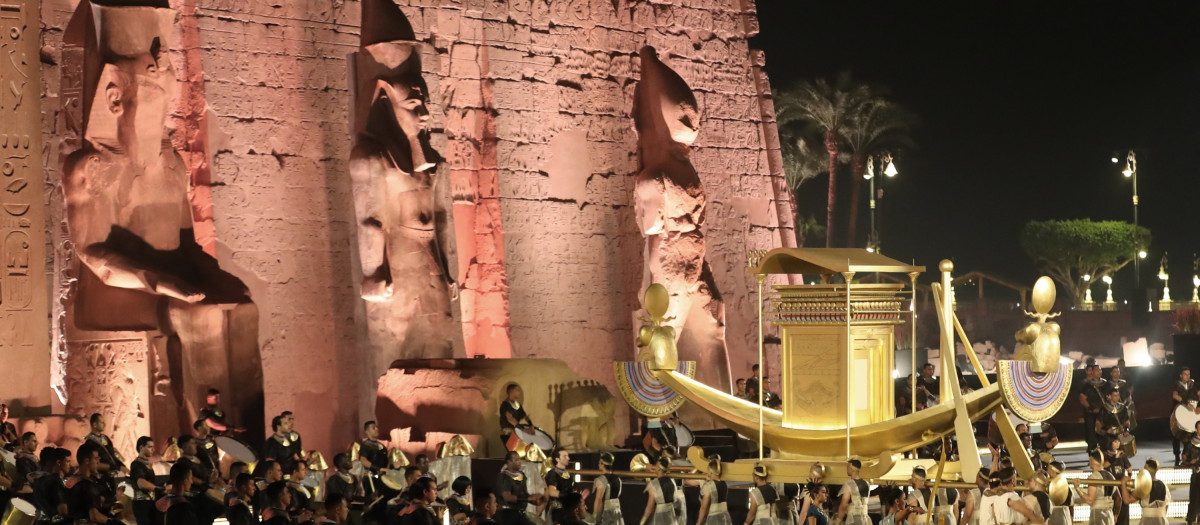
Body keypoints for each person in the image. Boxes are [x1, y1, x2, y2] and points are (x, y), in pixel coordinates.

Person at [67, 441, 115, 525]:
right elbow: (94, 516)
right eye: (96, 459)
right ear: (87, 461)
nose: (98, 462)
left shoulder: (71, 480)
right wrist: (114, 522)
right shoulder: (86, 484)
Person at [496, 451, 545, 525]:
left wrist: (534, 500)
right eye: (516, 460)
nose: (520, 462)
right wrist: (527, 499)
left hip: (519, 513)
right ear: (509, 462)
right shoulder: (503, 476)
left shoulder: (522, 475)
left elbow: (524, 494)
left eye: (520, 459)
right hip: (507, 515)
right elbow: (507, 497)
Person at [86, 413, 127, 491]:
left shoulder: (106, 439)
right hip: (102, 480)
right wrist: (114, 467)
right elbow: (94, 464)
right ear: (94, 424)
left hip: (115, 477)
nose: (104, 424)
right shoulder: (90, 443)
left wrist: (122, 466)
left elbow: (113, 454)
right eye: (101, 422)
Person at [1121, 458, 1167, 525]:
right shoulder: (1163, 484)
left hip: (1148, 521)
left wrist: (1123, 483)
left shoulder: (1144, 486)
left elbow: (1127, 500)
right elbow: (1167, 505)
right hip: (1162, 520)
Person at [1074, 451, 1116, 525]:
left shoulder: (1093, 477)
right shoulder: (1111, 476)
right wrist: (1116, 515)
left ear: (1092, 461)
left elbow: (1090, 500)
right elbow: (1118, 498)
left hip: (1098, 514)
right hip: (1109, 514)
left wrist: (1077, 488)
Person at [31, 447, 71, 523]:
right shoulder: (54, 482)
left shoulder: (41, 479)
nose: (70, 465)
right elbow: (63, 510)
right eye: (68, 461)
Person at [130, 436, 162, 525]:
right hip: (142, 504)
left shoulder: (146, 464)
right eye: (149, 447)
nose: (153, 449)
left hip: (150, 502)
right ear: (141, 448)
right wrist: (159, 488)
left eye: (153, 447)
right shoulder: (136, 464)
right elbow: (141, 483)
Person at [1097, 388, 1136, 459]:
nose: (1117, 397)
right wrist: (1106, 430)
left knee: (1122, 456)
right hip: (1109, 436)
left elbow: (1127, 421)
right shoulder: (1104, 408)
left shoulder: (1123, 407)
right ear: (1110, 396)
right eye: (1115, 395)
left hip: (1120, 435)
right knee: (1109, 457)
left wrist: (1126, 430)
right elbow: (1098, 423)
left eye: (1118, 395)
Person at [1078, 363, 1108, 451]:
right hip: (1091, 414)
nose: (1099, 372)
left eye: (1100, 370)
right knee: (1091, 435)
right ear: (1092, 372)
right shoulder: (1087, 385)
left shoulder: (1105, 384)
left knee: (1104, 433)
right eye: (1097, 370)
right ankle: (1093, 455)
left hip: (1103, 413)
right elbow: (1082, 398)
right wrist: (1091, 408)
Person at [643, 456, 679, 525]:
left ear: (659, 468)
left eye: (656, 466)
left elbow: (650, 507)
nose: (655, 467)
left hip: (660, 516)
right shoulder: (672, 481)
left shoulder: (654, 484)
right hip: (671, 514)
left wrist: (642, 522)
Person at [590, 452, 624, 525]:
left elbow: (598, 500)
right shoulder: (618, 479)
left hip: (605, 512)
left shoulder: (601, 480)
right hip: (617, 511)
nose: (598, 465)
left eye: (599, 463)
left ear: (603, 464)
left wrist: (594, 516)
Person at [1172, 367, 1196, 465]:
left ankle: (1187, 456)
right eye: (1185, 374)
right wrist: (1185, 402)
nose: (1187, 376)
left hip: (1190, 412)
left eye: (1189, 374)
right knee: (1177, 435)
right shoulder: (1177, 384)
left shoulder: (1193, 384)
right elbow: (1174, 395)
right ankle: (1177, 455)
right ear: (1181, 375)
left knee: (1190, 434)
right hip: (1178, 411)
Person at [696, 456, 730, 525]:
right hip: (725, 517)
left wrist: (698, 523)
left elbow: (703, 508)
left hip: (714, 518)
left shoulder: (708, 486)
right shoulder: (724, 483)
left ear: (710, 472)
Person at [835, 459, 869, 525]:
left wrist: (838, 521)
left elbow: (843, 505)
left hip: (854, 519)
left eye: (848, 467)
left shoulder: (849, 484)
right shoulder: (867, 483)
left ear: (852, 468)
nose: (847, 469)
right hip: (865, 518)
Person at [500, 384, 533, 450]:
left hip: (516, 431)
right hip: (508, 433)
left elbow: (525, 416)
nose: (519, 392)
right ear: (511, 391)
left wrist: (531, 425)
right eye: (517, 390)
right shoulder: (505, 405)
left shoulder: (518, 405)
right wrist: (522, 429)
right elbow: (510, 419)